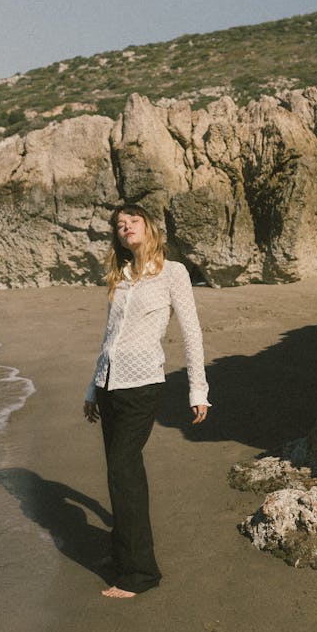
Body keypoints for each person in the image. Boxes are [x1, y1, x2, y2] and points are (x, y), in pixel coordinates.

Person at [84, 203, 210, 599]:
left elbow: (191, 332)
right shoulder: (120, 277)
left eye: (132, 221)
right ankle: (123, 555)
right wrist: (92, 389)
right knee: (116, 473)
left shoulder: (173, 273)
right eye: (119, 225)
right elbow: (109, 338)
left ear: (149, 227)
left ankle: (140, 574)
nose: (125, 228)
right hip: (109, 384)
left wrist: (198, 390)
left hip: (142, 385)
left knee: (125, 472)